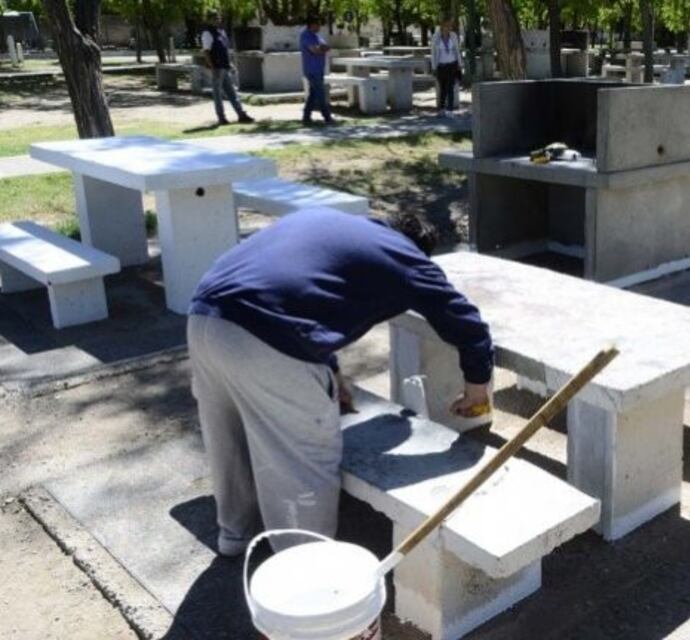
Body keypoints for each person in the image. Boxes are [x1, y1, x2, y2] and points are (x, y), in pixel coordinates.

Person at [187, 208, 494, 554]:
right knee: (302, 460)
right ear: (419, 247)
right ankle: (304, 564)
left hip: (205, 319)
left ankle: (235, 535)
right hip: (265, 338)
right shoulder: (406, 257)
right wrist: (477, 386)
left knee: (229, 438)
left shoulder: (331, 224)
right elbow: (467, 324)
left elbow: (299, 295)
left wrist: (332, 372)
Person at [201, 10, 254, 126]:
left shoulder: (221, 32)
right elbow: (206, 52)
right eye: (214, 18)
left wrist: (230, 63)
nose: (217, 20)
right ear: (208, 20)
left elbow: (225, 49)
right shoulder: (207, 33)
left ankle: (241, 114)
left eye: (218, 17)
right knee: (217, 95)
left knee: (232, 92)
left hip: (225, 66)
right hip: (217, 68)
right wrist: (212, 67)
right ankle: (221, 117)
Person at [300, 14, 334, 126]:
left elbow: (326, 46)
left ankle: (306, 116)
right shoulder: (306, 35)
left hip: (318, 68)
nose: (320, 27)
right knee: (320, 93)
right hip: (312, 69)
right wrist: (321, 49)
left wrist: (321, 48)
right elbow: (315, 50)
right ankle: (327, 117)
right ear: (312, 25)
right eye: (318, 24)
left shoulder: (316, 36)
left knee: (313, 94)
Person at [431, 17, 463, 116]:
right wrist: (434, 67)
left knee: (450, 87)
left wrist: (459, 64)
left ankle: (450, 110)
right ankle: (441, 109)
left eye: (450, 26)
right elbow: (433, 53)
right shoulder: (436, 37)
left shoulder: (453, 36)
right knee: (443, 88)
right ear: (442, 26)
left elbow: (457, 50)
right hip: (441, 66)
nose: (448, 28)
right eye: (446, 25)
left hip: (452, 65)